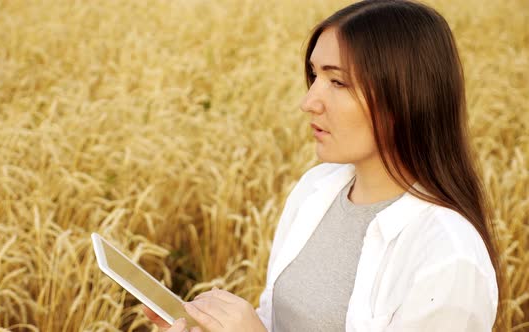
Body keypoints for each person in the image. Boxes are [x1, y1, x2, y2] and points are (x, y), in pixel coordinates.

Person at [144, 0, 504, 331]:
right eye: (314, 75)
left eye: (338, 81)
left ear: (404, 97)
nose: (309, 101)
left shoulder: (449, 258)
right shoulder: (317, 189)